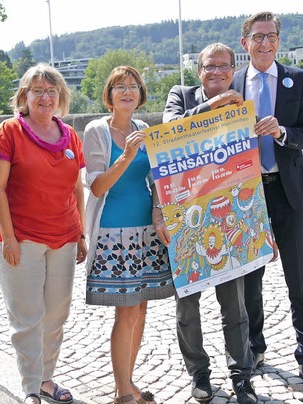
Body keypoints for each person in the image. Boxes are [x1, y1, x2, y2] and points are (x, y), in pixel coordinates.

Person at [0, 63, 87, 404]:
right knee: (27, 316)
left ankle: (46, 379)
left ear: (61, 97)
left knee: (57, 312)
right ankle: (29, 385)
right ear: (24, 96)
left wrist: (81, 233)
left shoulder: (70, 135)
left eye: (51, 91)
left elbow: (77, 188)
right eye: (37, 90)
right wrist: (8, 238)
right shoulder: (8, 132)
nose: (45, 97)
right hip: (22, 237)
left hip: (64, 237)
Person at [159, 43, 258, 404]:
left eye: (223, 66)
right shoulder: (181, 95)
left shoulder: (241, 102)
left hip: (228, 213)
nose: (216, 72)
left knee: (235, 305)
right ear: (199, 69)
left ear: (233, 69)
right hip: (185, 216)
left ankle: (241, 376)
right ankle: (198, 373)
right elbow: (169, 129)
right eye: (209, 66)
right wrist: (211, 107)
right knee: (188, 306)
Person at [232, 11, 303, 393]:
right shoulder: (233, 83)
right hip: (248, 197)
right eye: (258, 37)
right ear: (245, 42)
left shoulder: (299, 80)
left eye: (271, 36)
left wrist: (283, 132)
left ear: (278, 41)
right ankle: (255, 350)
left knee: (299, 279)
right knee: (250, 282)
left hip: (289, 194)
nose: (265, 43)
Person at [83, 66, 175, 404]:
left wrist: (158, 212)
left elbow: (156, 181)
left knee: (140, 310)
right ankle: (123, 392)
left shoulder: (144, 129)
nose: (127, 92)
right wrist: (127, 156)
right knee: (126, 310)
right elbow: (96, 185)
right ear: (109, 95)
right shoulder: (96, 130)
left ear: (140, 95)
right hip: (113, 232)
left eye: (133, 86)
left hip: (146, 231)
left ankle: (129, 382)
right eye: (120, 87)